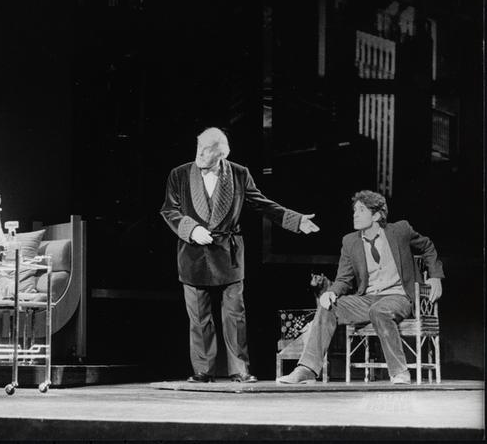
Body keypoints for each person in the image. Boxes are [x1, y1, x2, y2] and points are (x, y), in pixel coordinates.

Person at [160, 127, 320, 383]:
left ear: (221, 154)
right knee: (199, 317)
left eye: (206, 151)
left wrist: (295, 220)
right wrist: (191, 229)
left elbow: (262, 203)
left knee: (235, 315)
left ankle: (239, 369)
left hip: (228, 253)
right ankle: (203, 370)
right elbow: (169, 210)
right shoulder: (179, 174)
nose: (199, 154)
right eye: (199, 148)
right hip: (193, 253)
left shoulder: (239, 173)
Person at [277, 190, 444, 385]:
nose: (355, 214)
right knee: (328, 306)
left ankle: (400, 371)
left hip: (399, 298)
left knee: (379, 310)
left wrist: (435, 276)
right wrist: (331, 292)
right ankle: (307, 369)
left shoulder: (400, 231)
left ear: (376, 215)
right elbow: (344, 278)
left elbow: (427, 246)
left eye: (361, 210)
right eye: (355, 210)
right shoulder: (350, 241)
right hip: (367, 299)